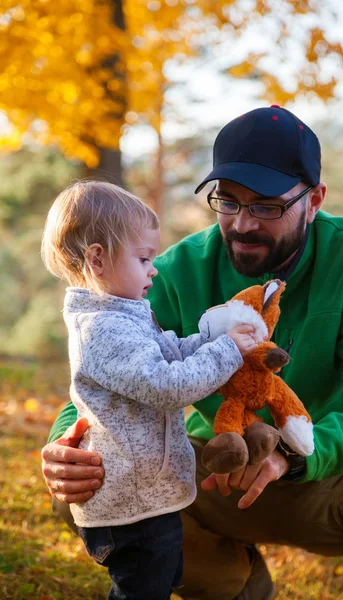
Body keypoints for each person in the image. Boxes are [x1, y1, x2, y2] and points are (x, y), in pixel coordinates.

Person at [41, 107, 343, 600]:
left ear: (314, 200)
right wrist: (65, 443)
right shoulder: (176, 269)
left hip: (329, 476)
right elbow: (106, 373)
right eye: (227, 202)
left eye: (266, 206)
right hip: (217, 475)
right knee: (91, 480)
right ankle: (237, 586)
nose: (242, 224)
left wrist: (291, 455)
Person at [40, 180, 263, 600]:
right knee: (142, 589)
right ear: (97, 259)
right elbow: (166, 386)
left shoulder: (126, 315)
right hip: (129, 506)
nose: (153, 269)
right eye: (143, 258)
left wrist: (214, 340)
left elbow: (169, 352)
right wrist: (228, 352)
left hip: (147, 496)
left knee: (159, 579)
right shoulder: (102, 329)